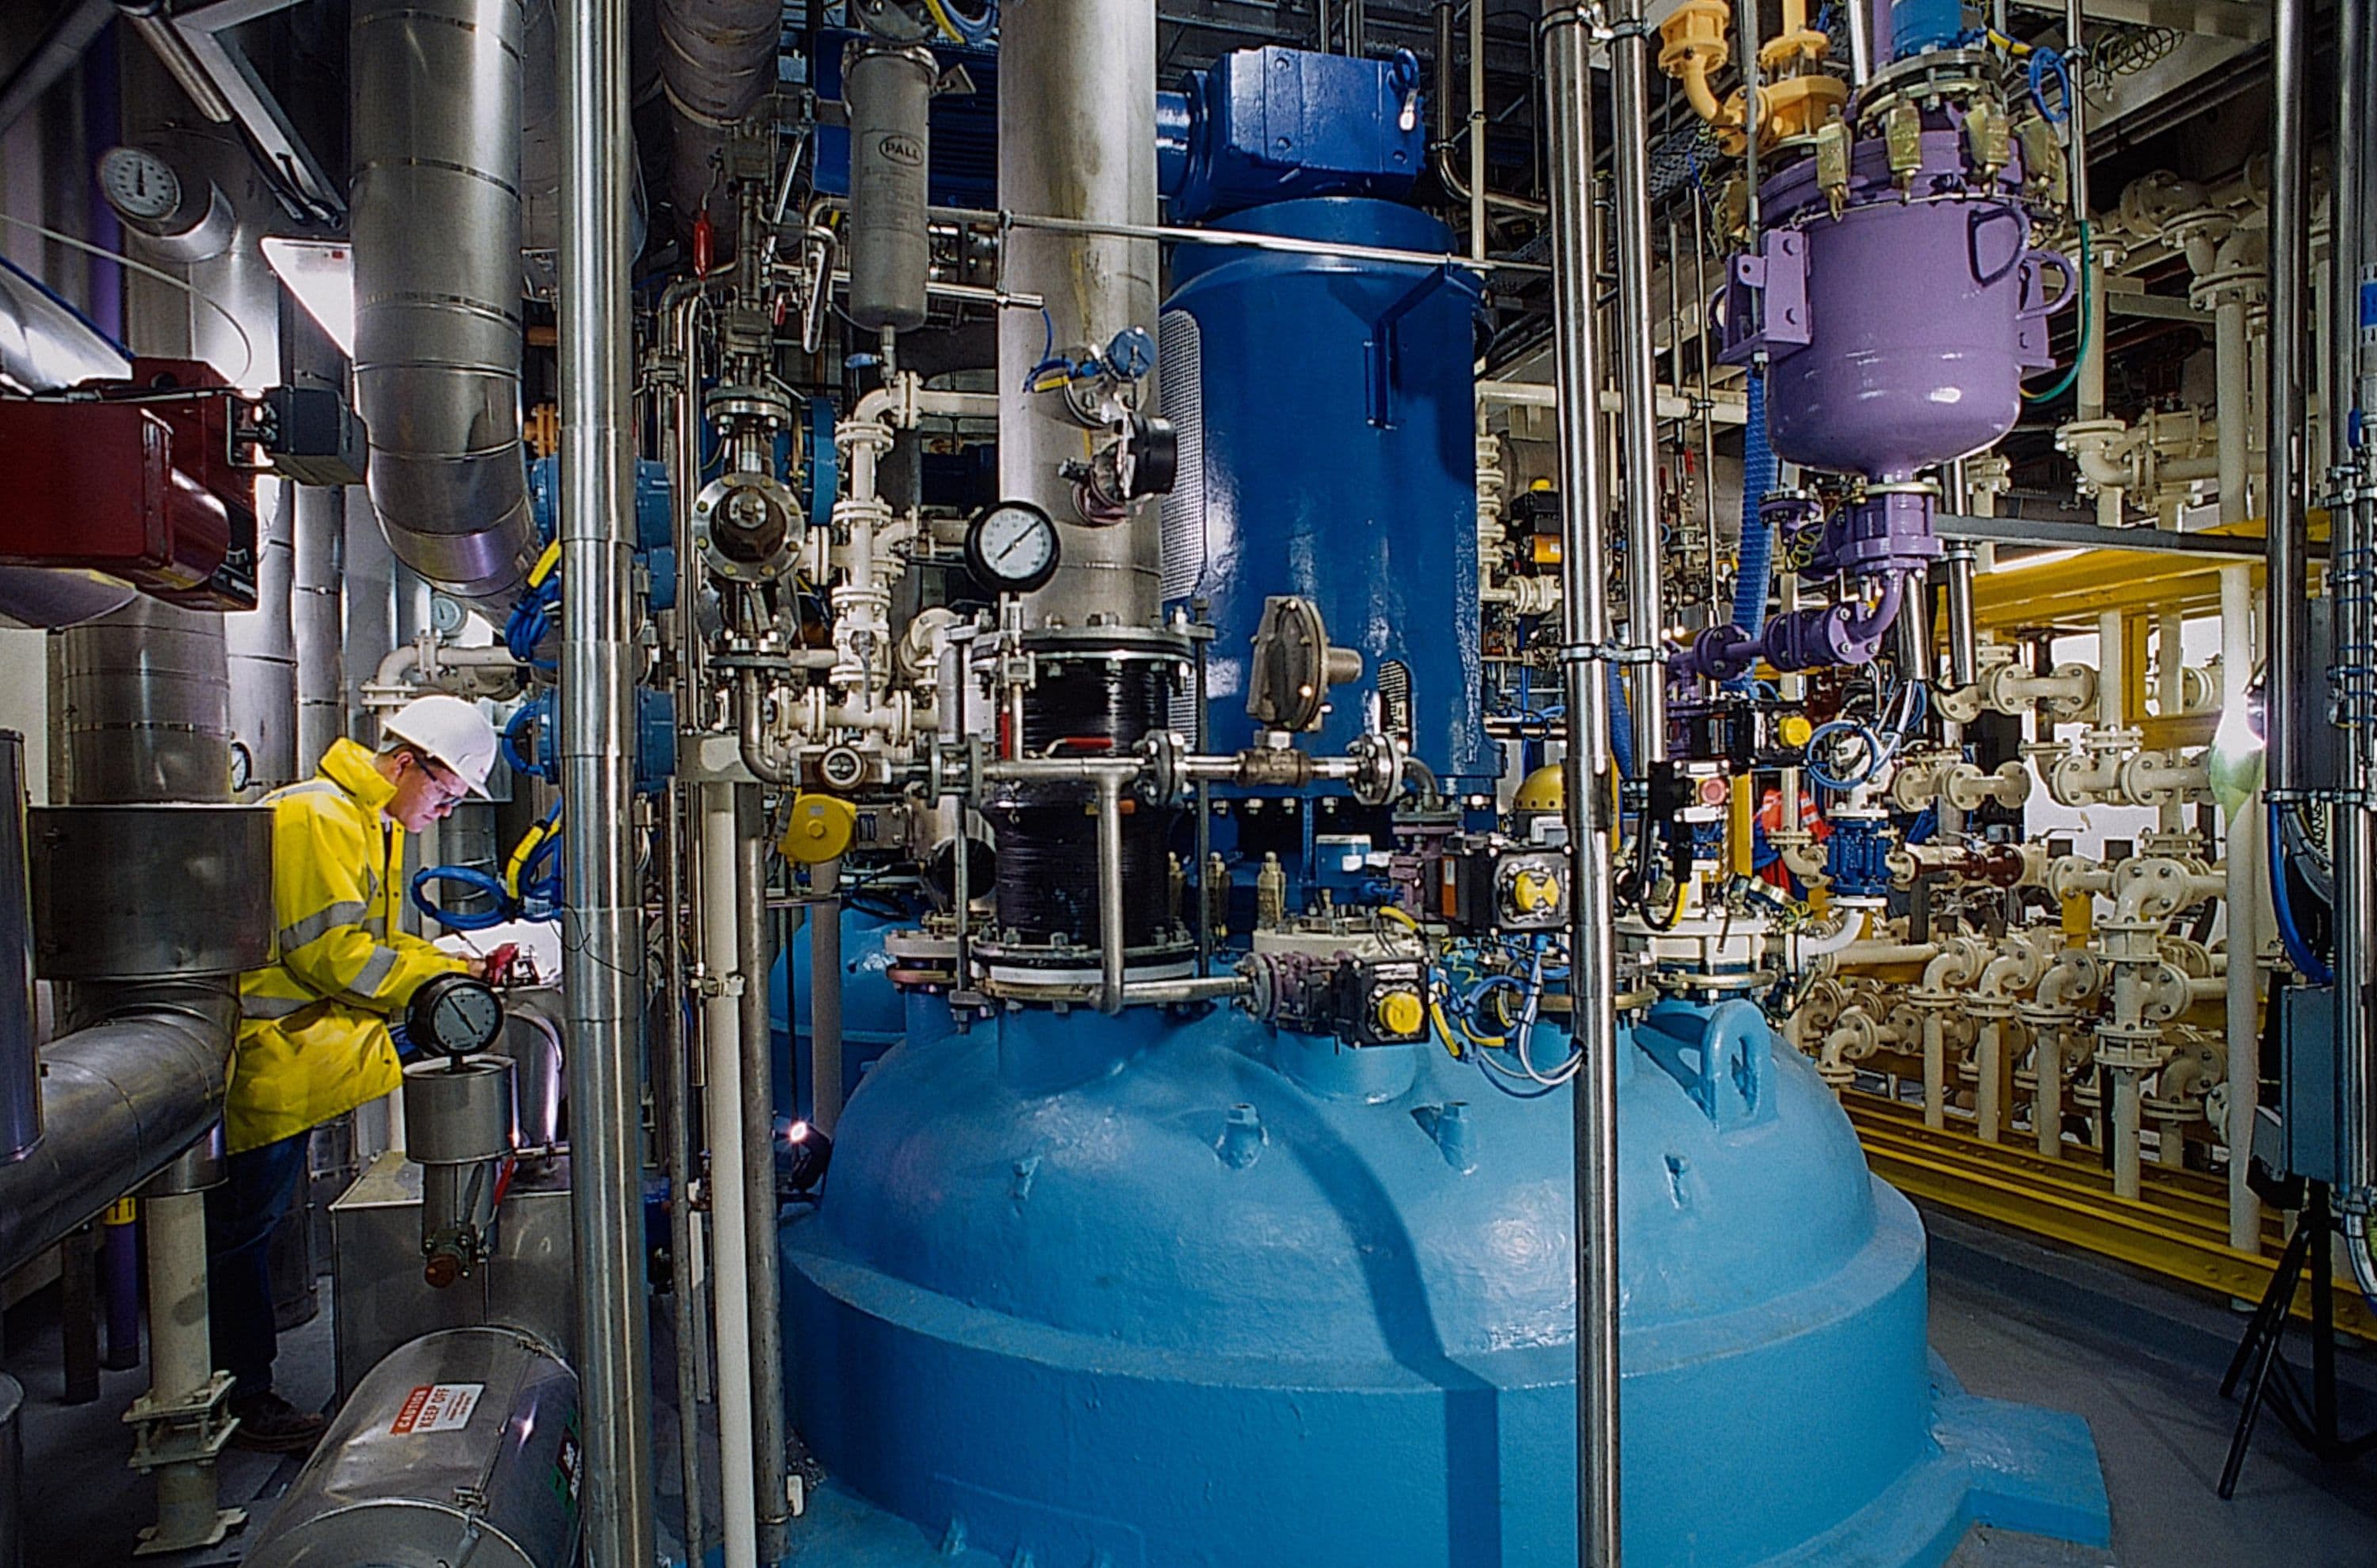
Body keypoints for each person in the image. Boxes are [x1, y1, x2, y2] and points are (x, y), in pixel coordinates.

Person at [205, 694, 502, 1451]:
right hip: (274, 1053)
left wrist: (455, 964)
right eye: (445, 794)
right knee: (237, 1236)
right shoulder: (320, 816)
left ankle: (242, 1386)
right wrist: (439, 979)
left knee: (250, 1229)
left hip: (307, 1048)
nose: (443, 811)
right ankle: (240, 1397)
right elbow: (331, 956)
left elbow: (379, 943)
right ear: (405, 763)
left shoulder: (366, 819)